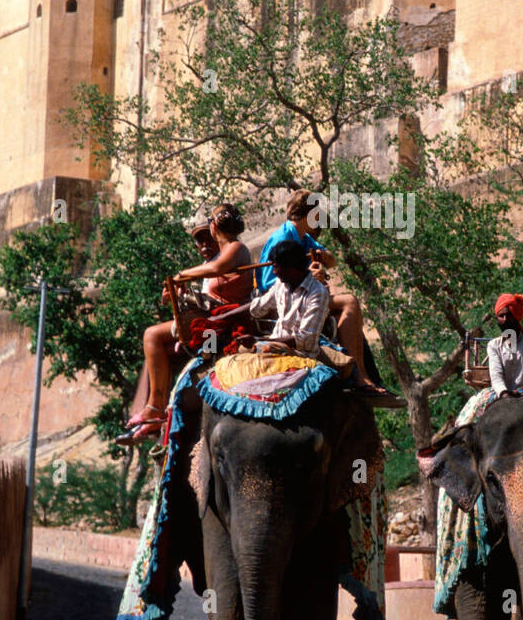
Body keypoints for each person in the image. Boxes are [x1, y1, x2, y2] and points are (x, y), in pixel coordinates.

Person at [121, 203, 252, 443]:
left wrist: (181, 275)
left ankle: (155, 406)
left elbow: (216, 269)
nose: (203, 244)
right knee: (163, 351)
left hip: (222, 321)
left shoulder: (236, 248)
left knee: (151, 335)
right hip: (213, 317)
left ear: (213, 228)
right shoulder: (224, 253)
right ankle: (155, 409)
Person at [257, 190, 394, 396]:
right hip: (288, 300)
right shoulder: (283, 237)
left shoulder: (303, 237)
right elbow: (269, 281)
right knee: (350, 301)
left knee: (348, 316)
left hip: (303, 296)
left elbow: (331, 259)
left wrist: (320, 256)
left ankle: (360, 373)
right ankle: (361, 377)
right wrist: (308, 276)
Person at [247, 238, 331, 356]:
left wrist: (261, 341)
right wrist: (225, 316)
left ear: (291, 267)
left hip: (298, 355)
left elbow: (305, 340)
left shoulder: (317, 293)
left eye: (276, 267)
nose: (274, 272)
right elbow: (258, 308)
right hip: (273, 345)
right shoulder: (281, 284)